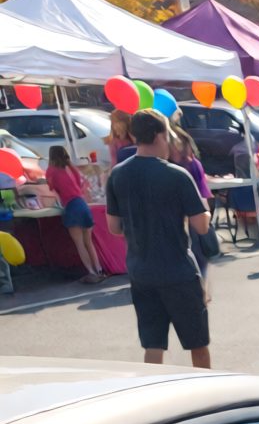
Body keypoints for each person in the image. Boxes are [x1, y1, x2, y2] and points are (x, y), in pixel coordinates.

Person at [104, 109, 211, 368]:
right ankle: (206, 387)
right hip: (178, 271)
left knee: (153, 344)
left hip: (141, 271)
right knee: (197, 343)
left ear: (134, 136)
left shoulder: (117, 174)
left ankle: (153, 387)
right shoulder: (177, 175)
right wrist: (205, 208)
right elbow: (201, 226)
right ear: (159, 135)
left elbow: (114, 227)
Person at [45, 146, 103, 282]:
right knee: (89, 242)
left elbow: (51, 189)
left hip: (71, 206)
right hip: (83, 205)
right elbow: (80, 185)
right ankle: (99, 269)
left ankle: (91, 272)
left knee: (80, 244)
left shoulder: (51, 170)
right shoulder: (72, 168)